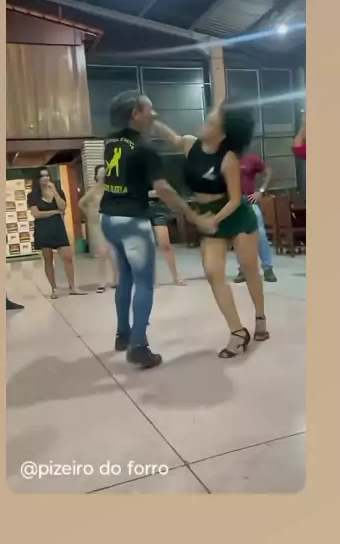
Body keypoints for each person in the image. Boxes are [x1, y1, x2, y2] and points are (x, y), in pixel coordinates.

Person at [100, 91, 217, 369]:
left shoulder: (110, 141)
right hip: (132, 222)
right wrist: (193, 217)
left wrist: (158, 126)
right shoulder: (145, 148)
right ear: (136, 114)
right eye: (149, 109)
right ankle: (138, 346)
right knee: (143, 281)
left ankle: (123, 334)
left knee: (125, 277)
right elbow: (163, 189)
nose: (154, 113)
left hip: (109, 218)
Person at [154, 102, 269, 358]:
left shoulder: (228, 159)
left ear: (223, 133)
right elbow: (173, 138)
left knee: (249, 266)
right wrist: (155, 122)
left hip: (233, 215)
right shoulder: (190, 144)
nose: (204, 124)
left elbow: (235, 200)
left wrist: (212, 220)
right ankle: (237, 331)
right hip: (207, 214)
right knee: (212, 272)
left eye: (211, 122)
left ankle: (260, 316)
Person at [27, 169, 86, 299]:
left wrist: (54, 192)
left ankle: (72, 286)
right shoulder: (32, 196)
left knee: (67, 257)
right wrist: (54, 212)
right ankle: (54, 288)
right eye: (42, 176)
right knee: (48, 259)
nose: (46, 178)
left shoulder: (58, 192)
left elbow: (63, 207)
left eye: (47, 175)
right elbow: (36, 214)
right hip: (43, 228)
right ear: (37, 179)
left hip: (58, 227)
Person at [233, 152, 277, 283]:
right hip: (233, 203)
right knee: (238, 236)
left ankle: (267, 268)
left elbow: (268, 171)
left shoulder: (250, 158)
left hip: (249, 201)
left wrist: (261, 191)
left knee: (260, 234)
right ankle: (243, 269)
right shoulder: (226, 159)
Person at [79, 164, 119, 292]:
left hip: (112, 221)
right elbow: (81, 203)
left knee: (114, 252)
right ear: (96, 175)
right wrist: (89, 215)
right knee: (103, 252)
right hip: (98, 222)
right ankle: (102, 282)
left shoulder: (111, 188)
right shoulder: (94, 189)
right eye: (100, 173)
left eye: (104, 172)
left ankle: (116, 279)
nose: (102, 175)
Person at [148, 190, 186, 286]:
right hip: (139, 205)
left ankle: (175, 275)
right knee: (145, 245)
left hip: (158, 206)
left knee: (164, 243)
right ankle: (150, 277)